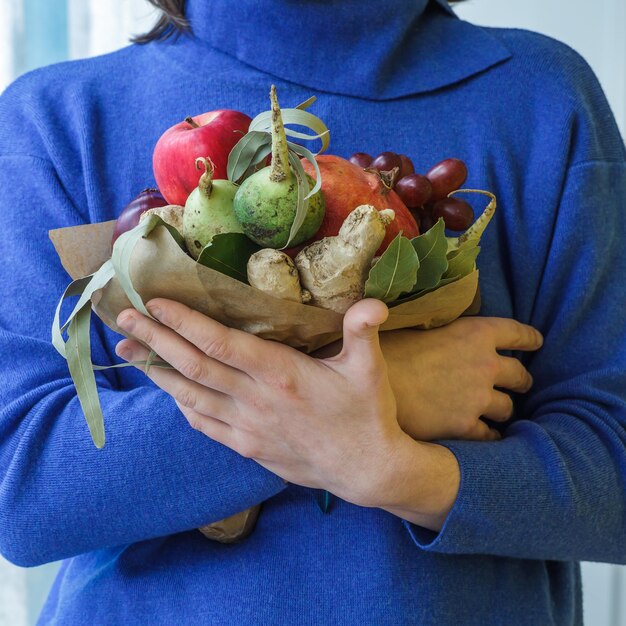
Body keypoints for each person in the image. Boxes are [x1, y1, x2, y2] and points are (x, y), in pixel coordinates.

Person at [0, 0, 624, 624]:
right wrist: (384, 393)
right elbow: (20, 495)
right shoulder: (58, 117)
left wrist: (406, 474)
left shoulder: (541, 97)